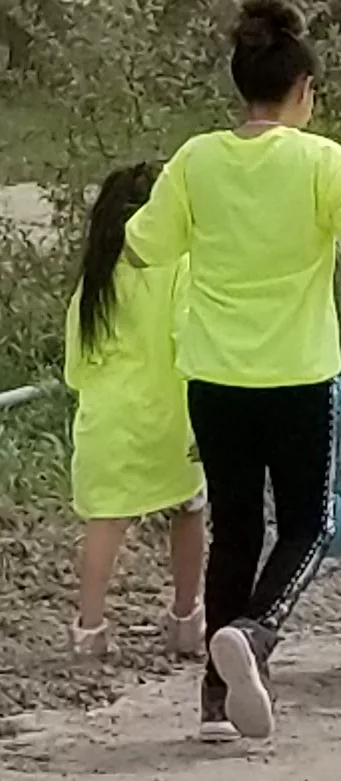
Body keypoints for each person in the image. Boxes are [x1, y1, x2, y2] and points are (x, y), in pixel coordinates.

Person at [126, 0, 341, 743]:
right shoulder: (321, 160)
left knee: (235, 528)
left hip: (215, 375)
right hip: (297, 374)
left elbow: (141, 248)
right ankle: (256, 635)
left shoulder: (197, 160)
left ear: (242, 86)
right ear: (303, 91)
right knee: (309, 523)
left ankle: (214, 702)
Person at [63, 162, 206, 665]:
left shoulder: (96, 278)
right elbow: (186, 337)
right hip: (170, 413)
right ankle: (188, 619)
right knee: (188, 510)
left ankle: (90, 628)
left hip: (106, 417)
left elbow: (75, 364)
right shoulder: (179, 264)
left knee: (106, 522)